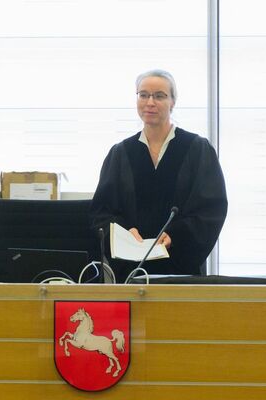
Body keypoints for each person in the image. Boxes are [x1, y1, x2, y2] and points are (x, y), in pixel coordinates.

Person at [91, 69, 228, 281]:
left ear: (173, 102)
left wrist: (176, 235)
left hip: (182, 269)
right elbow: (102, 212)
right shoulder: (120, 153)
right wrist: (126, 232)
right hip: (131, 271)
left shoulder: (197, 149)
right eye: (143, 95)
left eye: (159, 96)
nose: (150, 102)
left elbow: (211, 210)